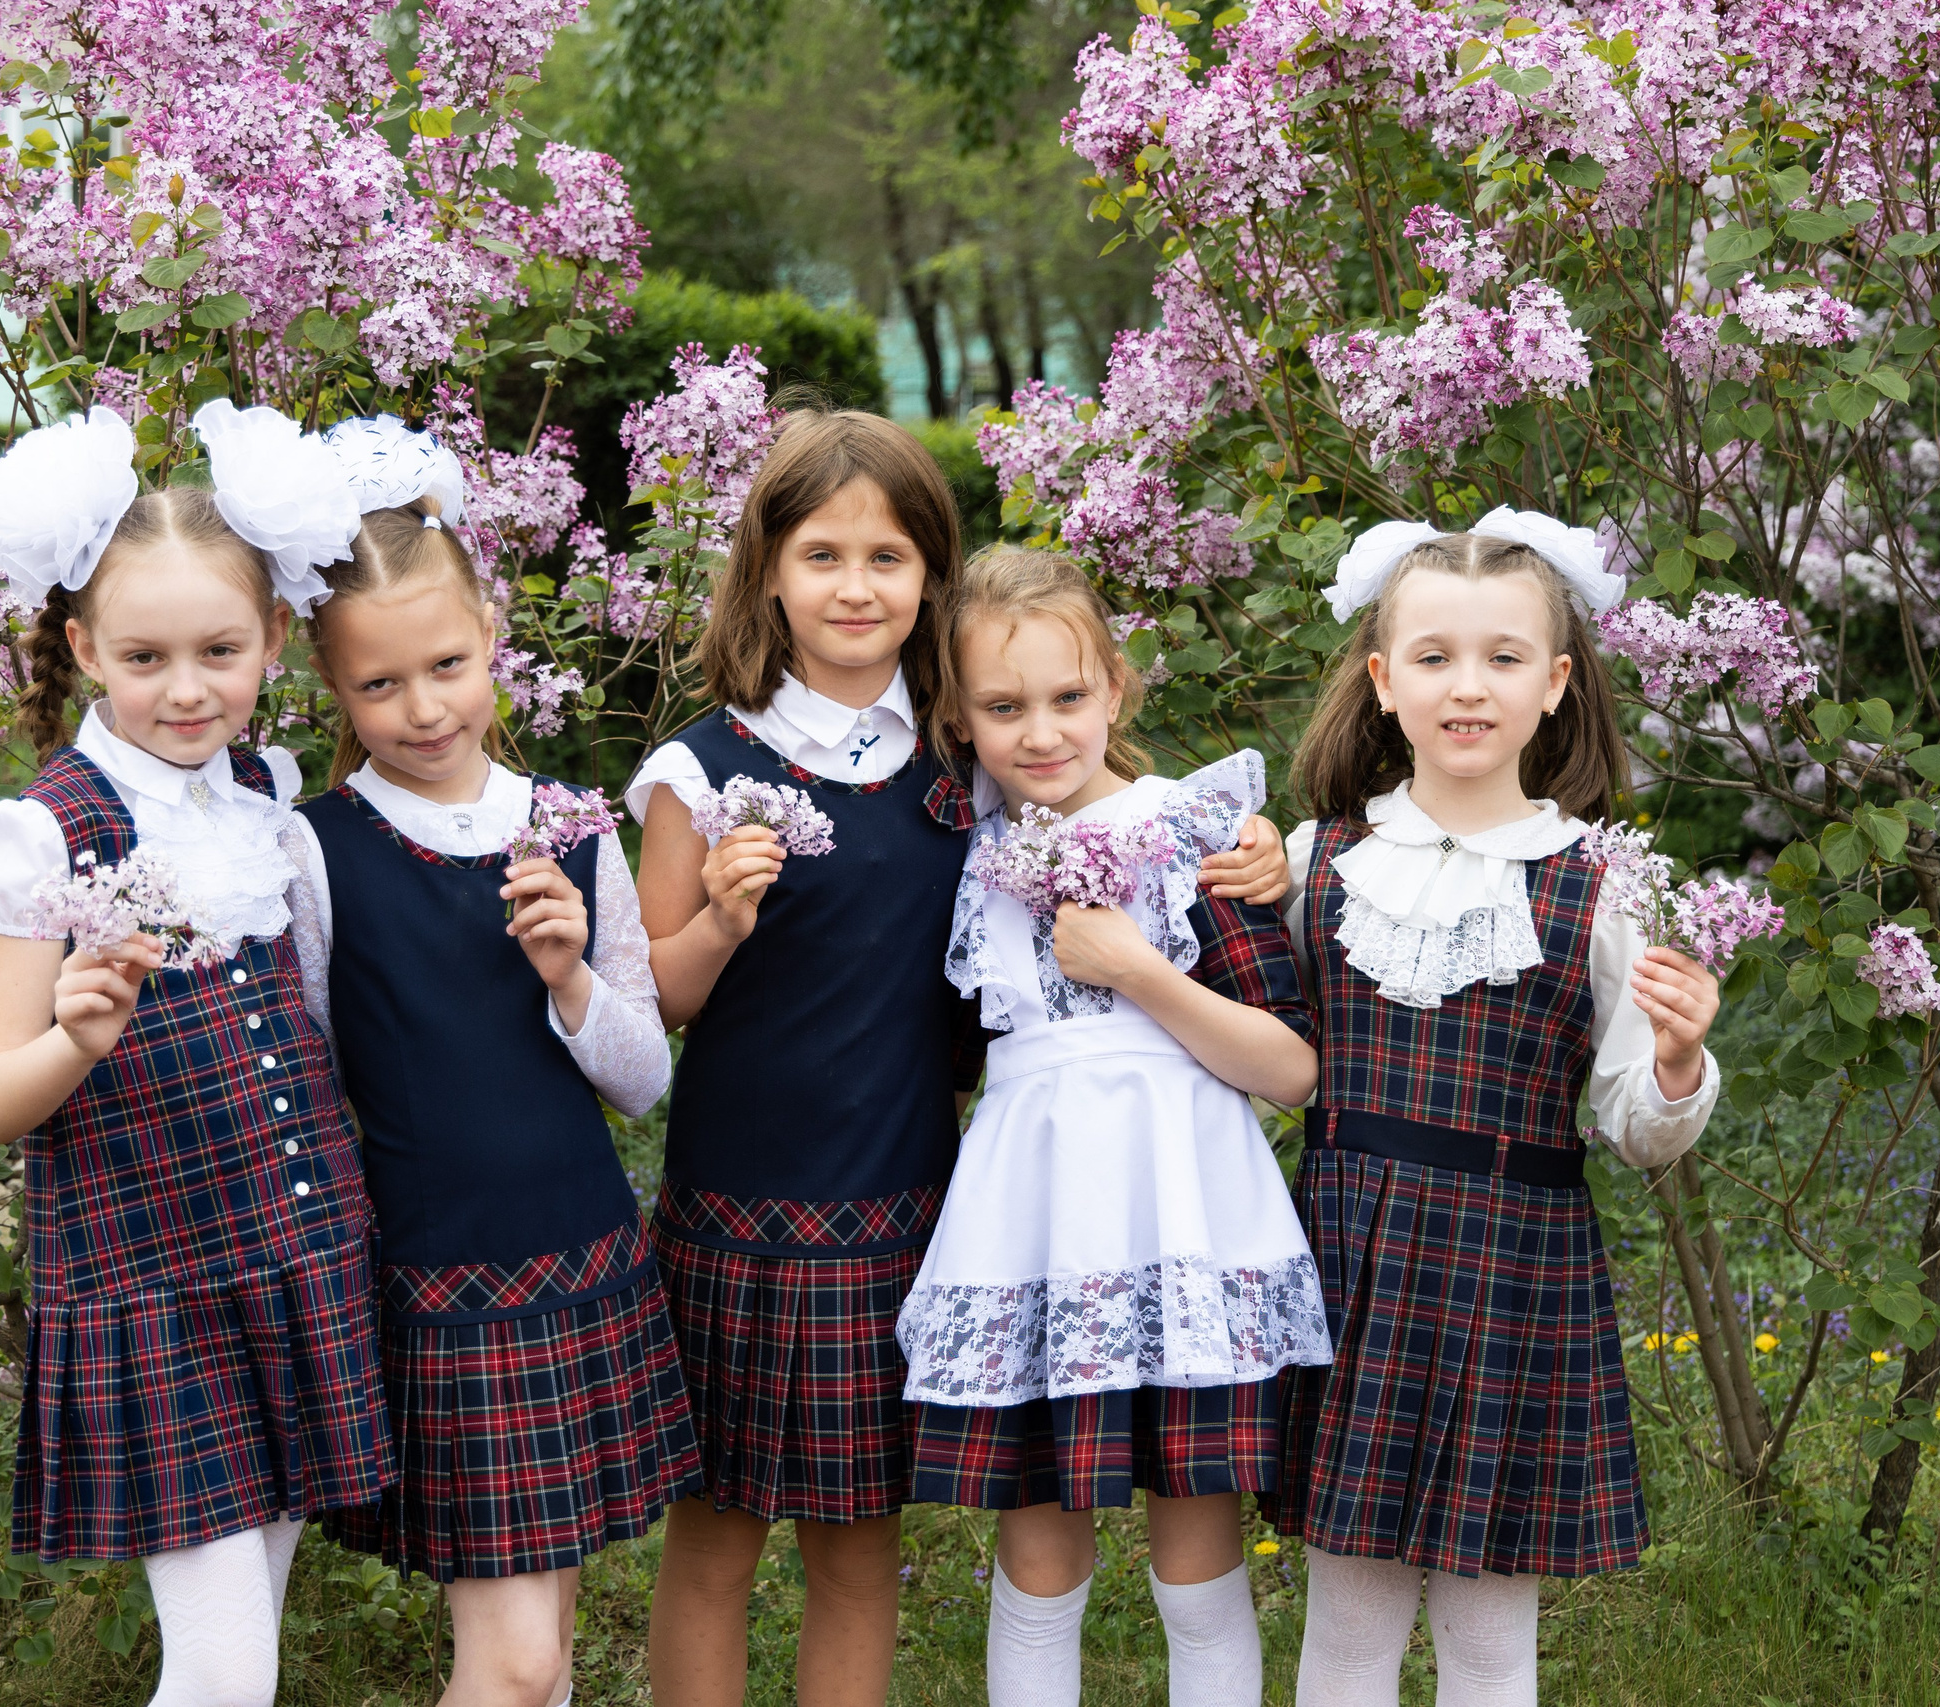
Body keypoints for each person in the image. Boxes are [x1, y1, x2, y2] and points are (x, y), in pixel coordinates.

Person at [627, 409, 1296, 1707]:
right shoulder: (701, 768)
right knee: (711, 1536)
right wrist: (718, 912)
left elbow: (1091, 797)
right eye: (822, 554)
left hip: (908, 1201)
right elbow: (652, 1001)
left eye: (888, 555)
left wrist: (1255, 851)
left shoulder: (957, 767)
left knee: (859, 1545)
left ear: (929, 573)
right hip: (734, 1203)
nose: (856, 584)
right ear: (768, 566)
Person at [0, 402, 390, 1707]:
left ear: (270, 639)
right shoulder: (46, 832)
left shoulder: (267, 794)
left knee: (244, 1637)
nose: (186, 687)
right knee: (220, 1672)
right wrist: (79, 1035)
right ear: (85, 645)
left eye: (221, 648)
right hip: (156, 1292)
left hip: (295, 1256)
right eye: (146, 655)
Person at [1272, 511, 1725, 1707]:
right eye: (1432, 657)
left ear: (1556, 683)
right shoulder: (1314, 861)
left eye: (1503, 658)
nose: (1466, 688)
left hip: (1512, 1274)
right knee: (1349, 1622)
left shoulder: (1599, 885)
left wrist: (1677, 1061)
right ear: (1381, 681)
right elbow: (1257, 1053)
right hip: (1344, 1266)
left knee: (1486, 1637)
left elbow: (1635, 1120)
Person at [293, 417, 700, 1707]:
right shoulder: (320, 848)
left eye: (449, 666)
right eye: (378, 686)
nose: (422, 709)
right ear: (330, 684)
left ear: (493, 639)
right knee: (515, 1665)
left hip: (582, 1255)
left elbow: (642, 1078)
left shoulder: (572, 827)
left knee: (552, 1656)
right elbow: (302, 1074)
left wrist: (573, 977)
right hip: (440, 1281)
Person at [900, 549, 1333, 1707]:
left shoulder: (1190, 837)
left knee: (1196, 1559)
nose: (1039, 732)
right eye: (1002, 707)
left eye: (1066, 698)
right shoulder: (965, 857)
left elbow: (1289, 1067)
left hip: (1182, 1235)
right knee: (1038, 1558)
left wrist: (1140, 971)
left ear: (1115, 690)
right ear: (959, 715)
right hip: (1037, 1240)